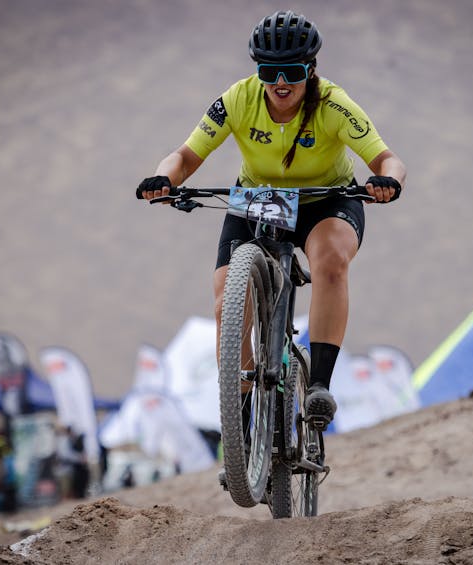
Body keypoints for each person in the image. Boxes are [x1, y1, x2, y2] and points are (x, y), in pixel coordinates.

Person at [137, 10, 406, 429]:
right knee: (228, 296)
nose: (281, 84)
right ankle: (242, 414)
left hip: (326, 200)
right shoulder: (237, 100)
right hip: (257, 200)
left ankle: (318, 386)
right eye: (269, 72)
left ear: (311, 70)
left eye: (292, 72)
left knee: (331, 260)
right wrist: (164, 178)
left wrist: (386, 180)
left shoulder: (334, 104)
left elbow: (388, 158)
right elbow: (186, 156)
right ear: (258, 71)